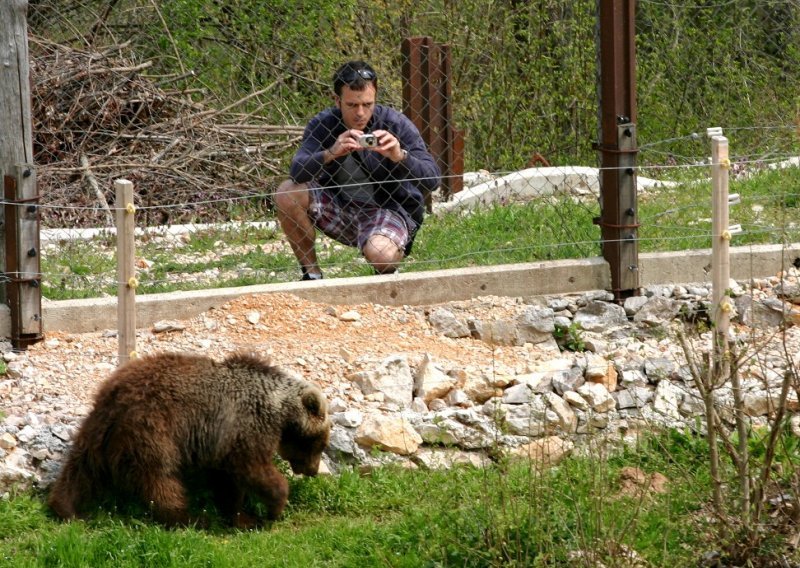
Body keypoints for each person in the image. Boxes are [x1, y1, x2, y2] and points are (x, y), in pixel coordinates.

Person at [274, 60, 441, 280]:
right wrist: (330, 153)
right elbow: (297, 172)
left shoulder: (395, 123)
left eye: (367, 104)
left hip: (387, 209)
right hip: (339, 206)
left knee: (382, 256)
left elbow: (434, 179)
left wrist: (400, 157)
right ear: (337, 100)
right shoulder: (323, 124)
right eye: (352, 105)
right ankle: (312, 275)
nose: (360, 113)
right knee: (286, 192)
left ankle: (387, 254)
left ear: (376, 97)